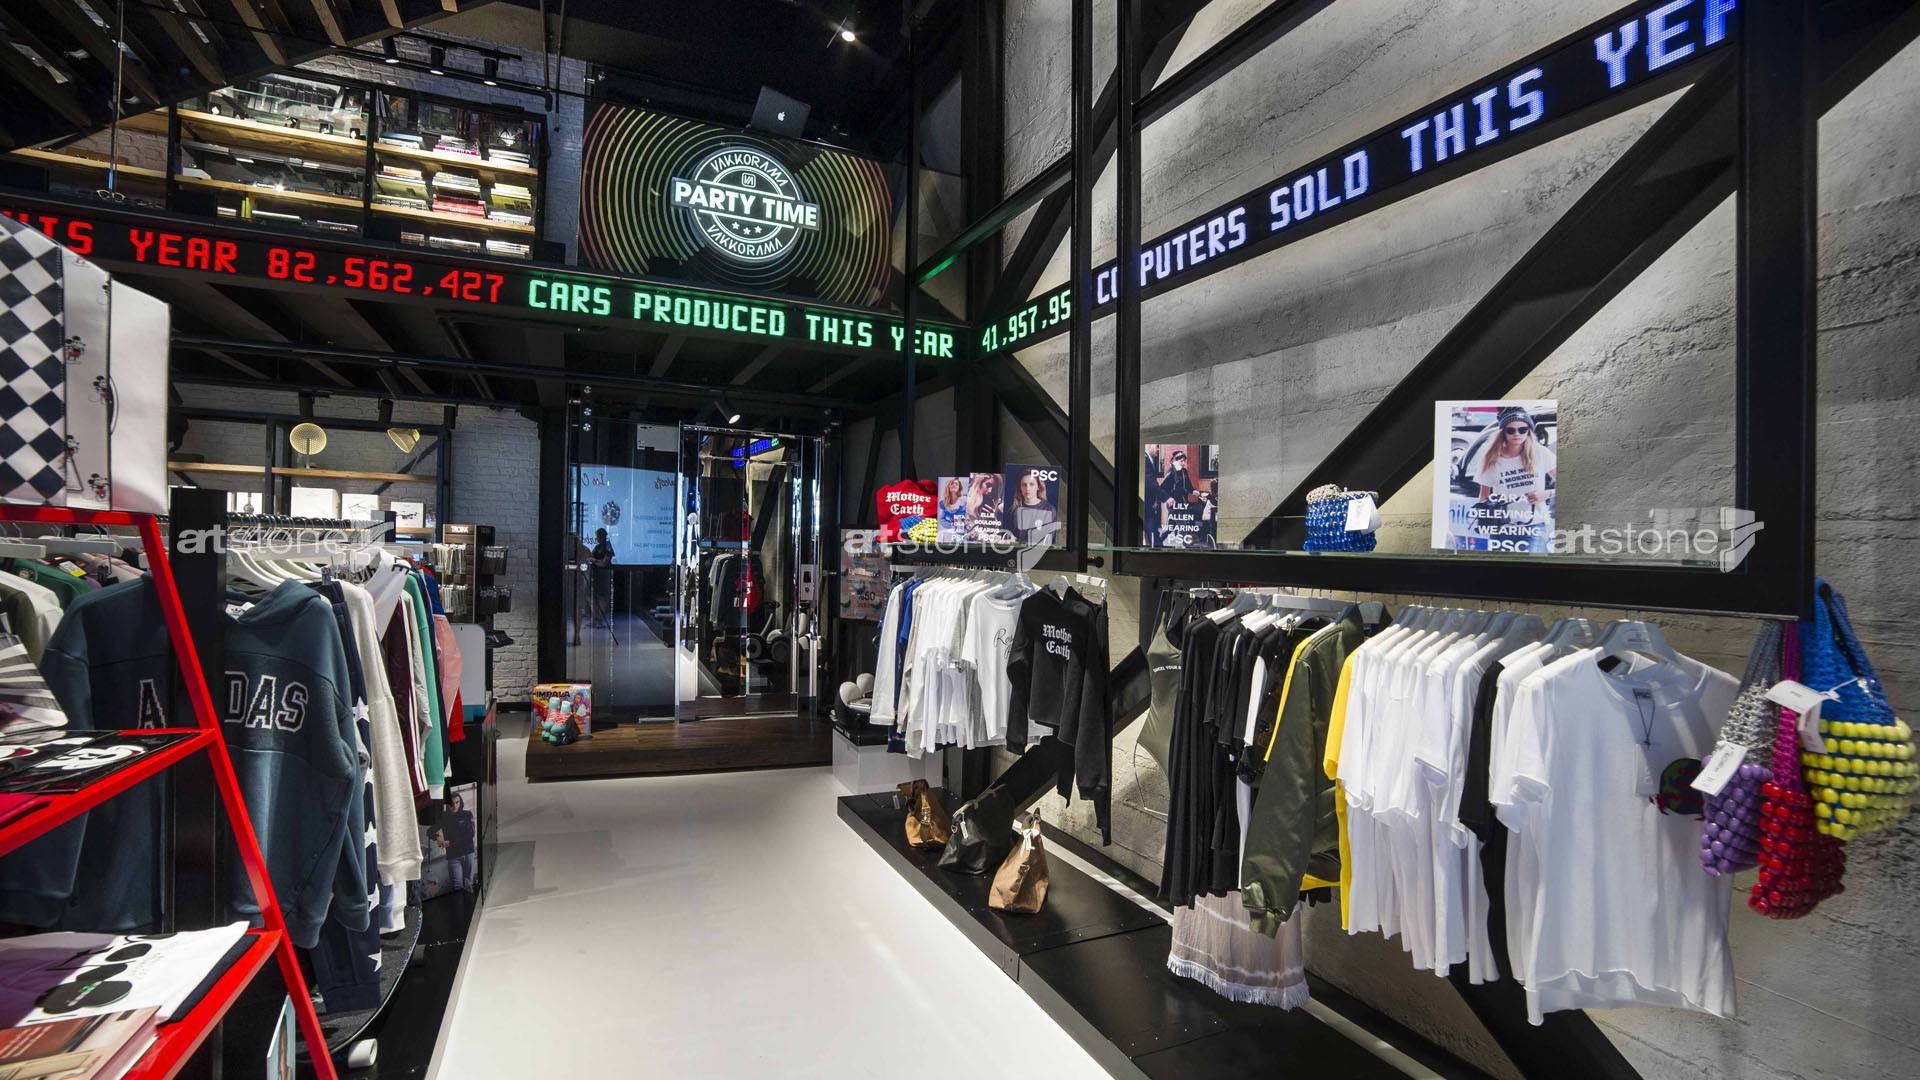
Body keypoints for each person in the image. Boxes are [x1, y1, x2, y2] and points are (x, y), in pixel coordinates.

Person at [1470, 406, 1557, 551]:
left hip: (1532, 527)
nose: (1517, 434)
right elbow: (1483, 496)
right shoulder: (1491, 458)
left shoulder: (1540, 453)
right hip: (1501, 528)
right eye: (1511, 430)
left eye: (1522, 430)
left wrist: (1547, 494)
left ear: (1528, 431)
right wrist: (1485, 522)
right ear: (1503, 432)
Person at [435, 791, 478, 893]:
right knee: (457, 886)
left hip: (468, 853)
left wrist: (451, 842)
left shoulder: (467, 814)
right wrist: (437, 837)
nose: (454, 806)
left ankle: (469, 902)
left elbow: (470, 834)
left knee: (468, 883)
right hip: (453, 856)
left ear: (460, 802)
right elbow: (430, 831)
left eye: (457, 802)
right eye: (451, 804)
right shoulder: (444, 817)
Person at [1008, 468, 1059, 544]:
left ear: (1038, 487)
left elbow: (1048, 541)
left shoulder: (1049, 510)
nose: (1027, 488)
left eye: (1031, 484)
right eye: (1024, 485)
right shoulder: (1014, 510)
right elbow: (1011, 539)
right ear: (1020, 488)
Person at [589, 527, 615, 629]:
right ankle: (594, 618)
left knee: (602, 598)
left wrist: (595, 561)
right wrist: (594, 560)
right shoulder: (597, 547)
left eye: (598, 536)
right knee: (593, 597)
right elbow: (590, 556)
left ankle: (600, 619)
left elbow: (604, 563)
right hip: (595, 574)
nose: (597, 538)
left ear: (602, 536)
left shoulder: (608, 547)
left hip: (604, 575)